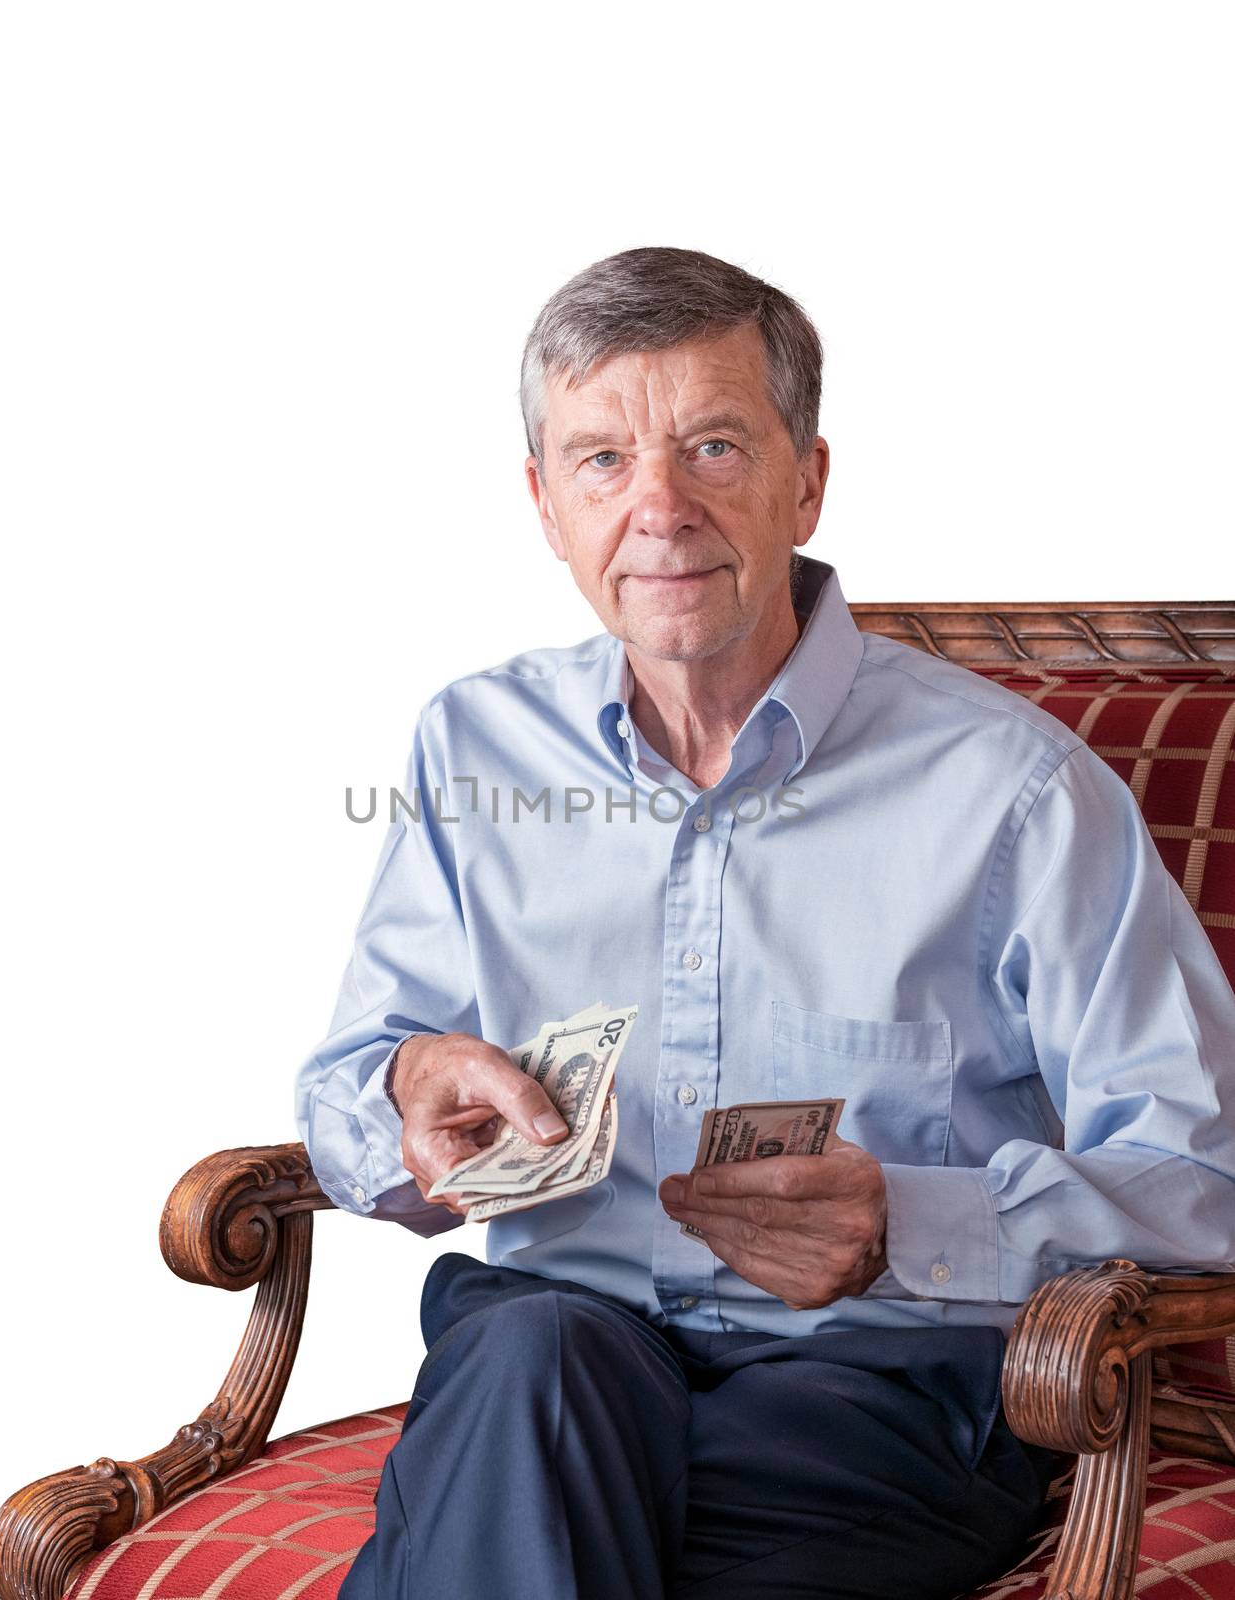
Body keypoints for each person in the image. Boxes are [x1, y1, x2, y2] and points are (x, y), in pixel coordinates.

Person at [294, 245, 1235, 1599]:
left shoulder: (1013, 790)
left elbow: (1201, 1176)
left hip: (876, 1384)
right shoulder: (473, 744)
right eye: (601, 460)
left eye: (715, 446)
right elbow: (345, 1091)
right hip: (553, 1345)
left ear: (808, 476)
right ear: (543, 505)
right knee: (524, 1359)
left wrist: (908, 1220)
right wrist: (402, 1093)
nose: (659, 508)